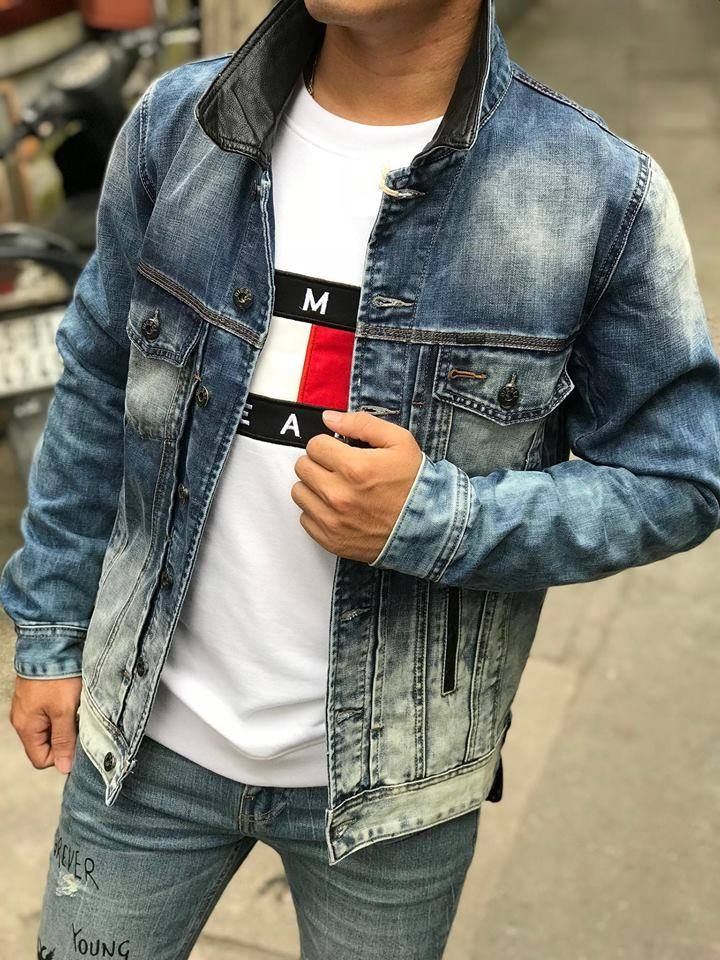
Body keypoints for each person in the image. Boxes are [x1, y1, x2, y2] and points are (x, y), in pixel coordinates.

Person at [2, 0, 719, 957]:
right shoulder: (182, 125)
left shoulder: (594, 191)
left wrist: (437, 520)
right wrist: (50, 631)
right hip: (143, 738)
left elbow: (681, 476)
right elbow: (99, 382)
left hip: (397, 787)